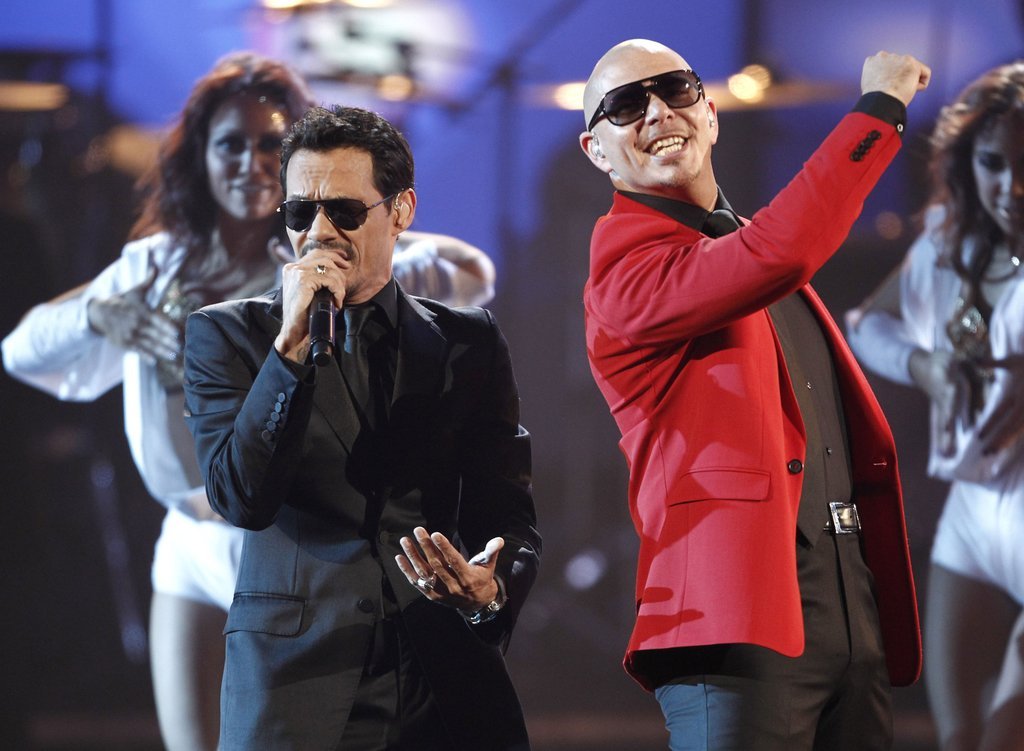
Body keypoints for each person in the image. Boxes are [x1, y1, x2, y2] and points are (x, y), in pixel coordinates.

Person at [1, 52, 498, 751]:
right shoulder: (157, 266)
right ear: (199, 156)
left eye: (271, 144)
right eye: (230, 144)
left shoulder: (314, 259)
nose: (251, 163)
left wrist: (383, 248)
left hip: (291, 542)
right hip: (189, 539)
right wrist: (99, 315)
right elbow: (19, 351)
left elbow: (473, 275)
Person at [578, 39, 930, 750]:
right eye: (625, 105)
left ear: (710, 115)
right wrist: (878, 109)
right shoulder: (625, 271)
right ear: (598, 151)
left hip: (847, 608)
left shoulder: (745, 248)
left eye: (676, 89)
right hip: (733, 621)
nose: (657, 112)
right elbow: (784, 246)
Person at [182, 104, 540, 750]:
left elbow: (508, 514)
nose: (319, 231)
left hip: (442, 682)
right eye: (300, 213)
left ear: (401, 211)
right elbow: (241, 498)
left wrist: (491, 590)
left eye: (344, 211)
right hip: (298, 686)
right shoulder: (228, 336)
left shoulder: (468, 341)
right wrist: (290, 349)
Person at [846, 61, 1024, 751]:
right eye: (993, 164)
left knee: (1004, 736)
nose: (1011, 187)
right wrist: (926, 366)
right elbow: (868, 324)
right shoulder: (950, 243)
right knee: (959, 737)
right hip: (971, 514)